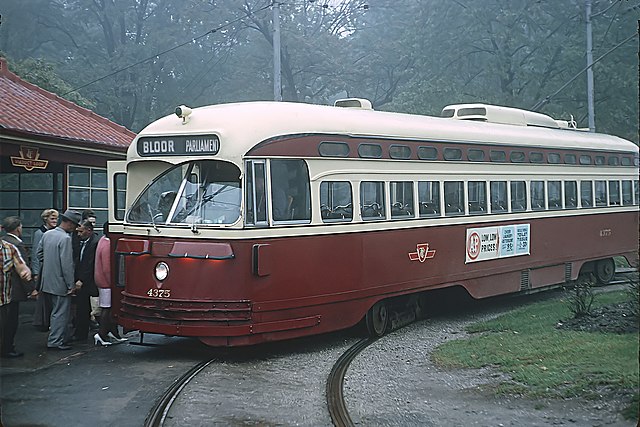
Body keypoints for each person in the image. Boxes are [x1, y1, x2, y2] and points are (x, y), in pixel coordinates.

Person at [37, 209, 81, 351]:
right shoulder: (65, 239)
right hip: (60, 282)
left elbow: (39, 254)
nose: (75, 228)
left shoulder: (47, 234)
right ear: (69, 223)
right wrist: (71, 285)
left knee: (54, 312)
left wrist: (50, 266)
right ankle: (55, 341)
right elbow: (67, 264)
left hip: (47, 281)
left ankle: (58, 338)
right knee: (60, 313)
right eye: (74, 225)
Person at [1, 217, 37, 358]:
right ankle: (7, 347)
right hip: (12, 291)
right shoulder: (17, 244)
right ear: (18, 228)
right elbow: (22, 270)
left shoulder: (8, 246)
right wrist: (31, 289)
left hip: (6, 293)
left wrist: (26, 273)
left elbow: (22, 268)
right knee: (10, 323)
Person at [94, 223, 126, 346]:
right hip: (107, 282)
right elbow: (108, 268)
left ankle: (113, 332)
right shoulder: (108, 244)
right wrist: (113, 283)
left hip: (100, 280)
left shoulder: (102, 240)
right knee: (107, 308)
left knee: (108, 307)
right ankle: (101, 334)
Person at [71, 220, 99, 342]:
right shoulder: (81, 242)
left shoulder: (94, 243)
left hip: (89, 281)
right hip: (81, 278)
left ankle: (83, 333)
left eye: (81, 231)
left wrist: (82, 279)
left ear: (89, 230)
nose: (79, 234)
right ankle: (80, 332)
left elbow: (90, 264)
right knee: (81, 308)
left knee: (86, 308)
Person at [31, 208, 58, 331]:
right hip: (43, 269)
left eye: (56, 218)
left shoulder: (56, 232)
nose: (55, 221)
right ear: (46, 219)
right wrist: (36, 273)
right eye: (52, 218)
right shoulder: (40, 233)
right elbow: (36, 253)